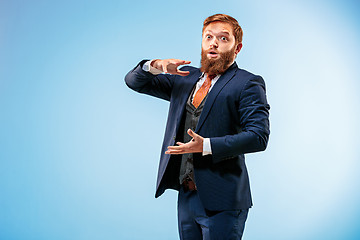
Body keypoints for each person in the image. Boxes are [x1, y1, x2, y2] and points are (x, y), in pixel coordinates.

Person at [125, 13, 270, 240]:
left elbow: (258, 137)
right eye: (208, 37)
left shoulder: (247, 83)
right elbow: (134, 82)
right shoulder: (183, 78)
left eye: (223, 38)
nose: (213, 42)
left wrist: (208, 145)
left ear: (237, 47)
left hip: (223, 200)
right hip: (186, 196)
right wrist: (155, 66)